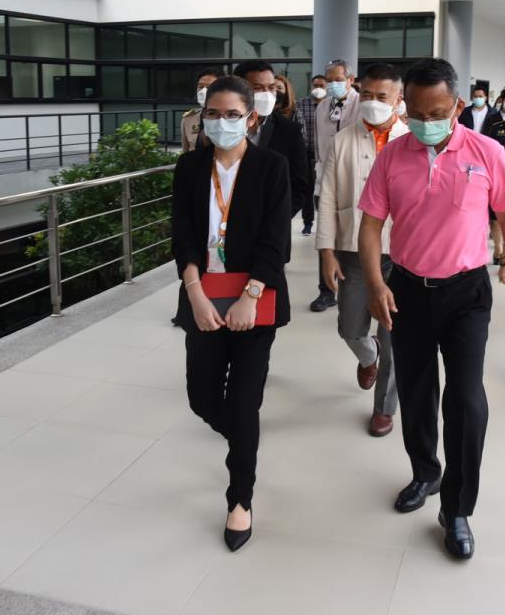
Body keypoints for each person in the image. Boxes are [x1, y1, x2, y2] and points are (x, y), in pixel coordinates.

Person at [358, 57, 505, 560]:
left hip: (466, 293)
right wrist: (375, 283)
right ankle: (425, 473)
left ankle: (456, 508)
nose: (426, 121)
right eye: (415, 112)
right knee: (416, 392)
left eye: (437, 112)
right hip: (407, 290)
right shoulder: (393, 155)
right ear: (404, 107)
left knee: (467, 400)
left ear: (456, 105)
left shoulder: (487, 151)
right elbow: (370, 225)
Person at [171, 75, 293, 552]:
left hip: (253, 299)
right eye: (213, 114)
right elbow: (182, 235)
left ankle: (239, 497)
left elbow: (275, 241)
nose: (221, 123)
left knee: (244, 403)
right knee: (202, 398)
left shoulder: (271, 166)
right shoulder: (189, 167)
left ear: (251, 118)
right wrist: (195, 294)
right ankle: (245, 440)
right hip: (202, 294)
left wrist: (251, 295)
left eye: (232, 115)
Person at [316, 63, 408, 437]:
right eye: (367, 94)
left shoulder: (411, 140)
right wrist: (326, 251)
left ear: (398, 99)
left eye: (382, 96)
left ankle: (384, 409)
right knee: (350, 328)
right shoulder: (343, 139)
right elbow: (327, 197)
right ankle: (368, 357)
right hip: (353, 250)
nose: (373, 102)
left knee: (394, 337)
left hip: (402, 256)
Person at [311, 59, 361, 312]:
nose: (332, 85)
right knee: (326, 235)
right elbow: (318, 144)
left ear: (350, 80)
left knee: (353, 236)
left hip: (354, 180)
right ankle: (326, 291)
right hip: (325, 180)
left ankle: (354, 287)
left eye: (338, 80)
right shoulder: (322, 107)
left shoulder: (361, 105)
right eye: (329, 80)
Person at [233, 60, 310, 222]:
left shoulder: (289, 131)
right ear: (238, 89)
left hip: (272, 223)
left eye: (271, 87)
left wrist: (279, 218)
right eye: (258, 88)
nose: (267, 94)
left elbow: (300, 184)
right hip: (226, 220)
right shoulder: (222, 126)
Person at [297, 75, 327, 237]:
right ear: (311, 86)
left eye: (322, 85)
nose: (318, 88)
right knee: (308, 189)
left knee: (325, 189)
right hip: (306, 152)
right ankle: (307, 223)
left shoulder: (331, 105)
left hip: (325, 153)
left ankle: (325, 223)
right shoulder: (301, 104)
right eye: (316, 85)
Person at [180, 68, 221, 152]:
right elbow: (186, 151)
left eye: (209, 87)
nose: (203, 91)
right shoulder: (188, 119)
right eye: (200, 87)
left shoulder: (230, 119)